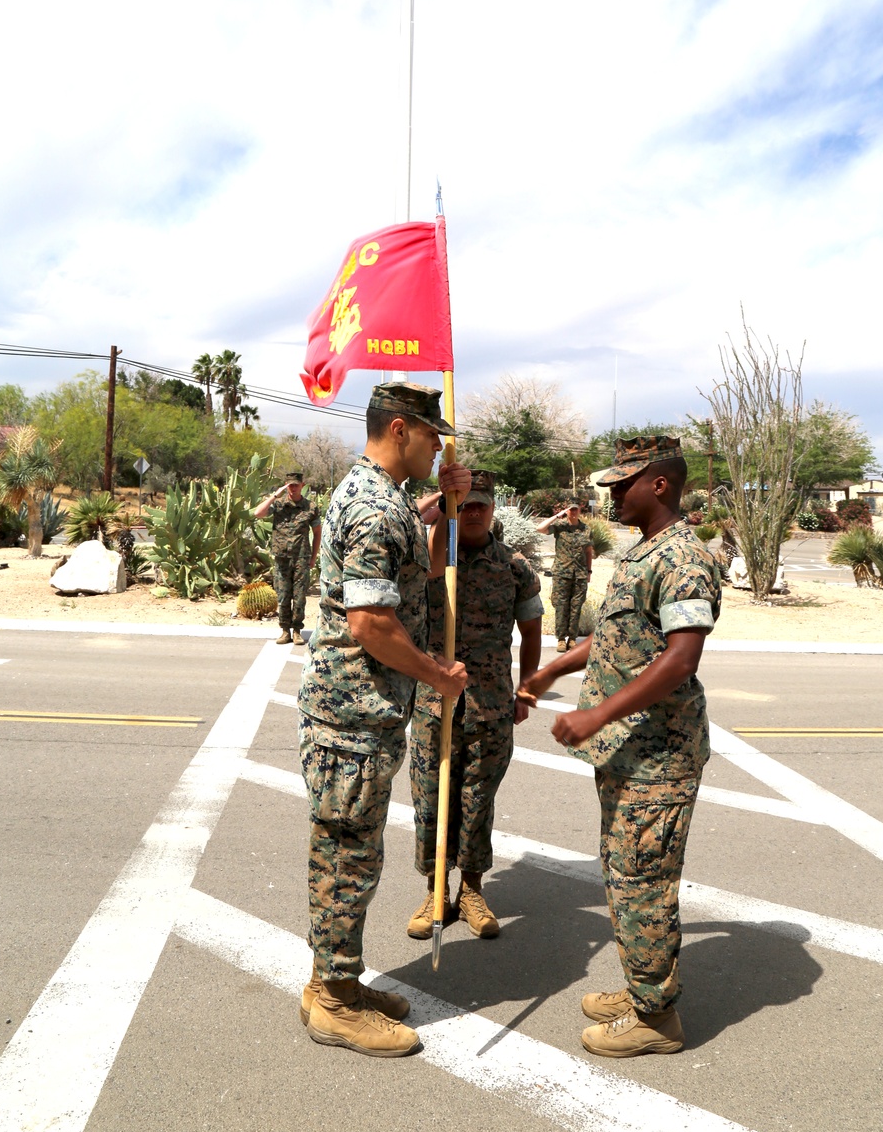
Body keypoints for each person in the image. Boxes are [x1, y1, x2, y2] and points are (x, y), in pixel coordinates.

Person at [518, 437, 721, 1060]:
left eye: (622, 482)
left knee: (643, 880)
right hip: (628, 753)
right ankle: (642, 986)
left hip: (659, 754)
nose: (610, 493)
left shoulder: (683, 557)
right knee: (623, 870)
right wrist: (555, 670)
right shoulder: (643, 554)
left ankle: (656, 1018)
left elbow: (680, 659)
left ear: (659, 484)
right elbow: (615, 635)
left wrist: (598, 712)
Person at [296, 382, 471, 1058]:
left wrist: (448, 512)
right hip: (352, 721)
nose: (437, 447)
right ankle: (336, 1002)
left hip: (361, 717)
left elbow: (425, 571)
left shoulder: (387, 497)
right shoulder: (374, 507)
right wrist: (437, 674)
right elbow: (371, 623)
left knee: (348, 853)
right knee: (348, 859)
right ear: (400, 430)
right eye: (432, 436)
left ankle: (333, 979)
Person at [407, 469, 544, 941]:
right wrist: (441, 503)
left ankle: (471, 890)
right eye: (464, 504)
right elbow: (420, 553)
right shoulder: (433, 560)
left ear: (493, 508)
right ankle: (433, 890)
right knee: (430, 801)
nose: (473, 511)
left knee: (477, 802)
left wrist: (527, 687)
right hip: (434, 702)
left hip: (489, 705)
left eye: (481, 503)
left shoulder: (515, 567)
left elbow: (531, 631)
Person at [254, 471, 321, 645]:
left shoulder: (310, 507)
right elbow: (257, 513)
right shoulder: (278, 504)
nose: (292, 488)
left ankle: (297, 631)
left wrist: (313, 558)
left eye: (295, 485)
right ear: (286, 485)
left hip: (301, 558)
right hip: (282, 558)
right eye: (289, 485)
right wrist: (276, 494)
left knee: (299, 597)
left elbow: (317, 533)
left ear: (302, 485)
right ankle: (285, 630)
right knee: (283, 596)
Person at [534, 498, 593, 652]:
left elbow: (588, 551)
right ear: (567, 511)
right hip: (562, 573)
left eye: (576, 509)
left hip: (579, 574)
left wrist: (589, 571)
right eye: (570, 509)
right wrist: (557, 515)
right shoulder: (560, 527)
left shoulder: (586, 529)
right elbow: (540, 528)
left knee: (576, 607)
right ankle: (561, 639)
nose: (573, 512)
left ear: (579, 510)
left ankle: (572, 638)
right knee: (561, 606)